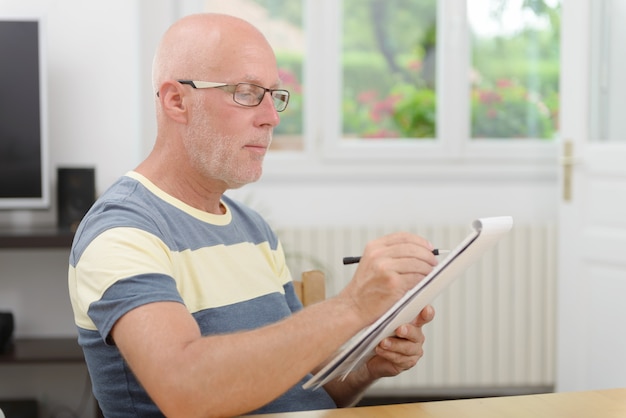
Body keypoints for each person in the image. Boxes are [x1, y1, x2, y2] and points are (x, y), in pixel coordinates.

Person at [68, 13, 437, 417]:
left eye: (273, 95)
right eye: (245, 92)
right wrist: (350, 307)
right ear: (176, 101)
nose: (271, 117)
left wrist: (368, 367)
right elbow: (185, 392)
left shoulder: (251, 228)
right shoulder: (122, 231)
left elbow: (303, 388)